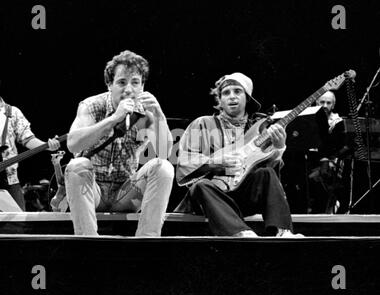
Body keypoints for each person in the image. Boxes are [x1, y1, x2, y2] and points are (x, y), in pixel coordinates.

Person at [175, 72, 303, 237]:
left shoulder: (259, 128)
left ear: (247, 97)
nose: (232, 96)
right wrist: (217, 162)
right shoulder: (202, 124)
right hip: (212, 199)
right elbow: (185, 162)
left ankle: (282, 231)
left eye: (237, 91)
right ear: (219, 100)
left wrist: (279, 148)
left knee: (266, 173)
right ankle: (240, 233)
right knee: (201, 186)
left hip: (243, 197)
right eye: (226, 93)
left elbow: (267, 168)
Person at [65, 50, 174, 236]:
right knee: (77, 165)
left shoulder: (147, 113)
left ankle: (147, 241)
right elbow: (73, 144)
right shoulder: (92, 105)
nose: (129, 89)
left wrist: (159, 115)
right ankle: (88, 244)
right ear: (110, 84)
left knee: (163, 167)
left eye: (135, 83)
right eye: (122, 82)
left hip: (125, 195)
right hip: (93, 192)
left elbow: (164, 152)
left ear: (142, 86)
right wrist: (114, 118)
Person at [0, 96, 60, 211]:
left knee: (17, 225)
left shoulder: (12, 112)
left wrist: (47, 146)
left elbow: (27, 139)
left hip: (9, 179)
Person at [308, 90, 351, 214]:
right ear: (316, 103)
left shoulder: (338, 122)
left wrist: (327, 159)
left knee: (319, 176)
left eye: (328, 103)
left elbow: (339, 147)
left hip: (330, 161)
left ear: (333, 105)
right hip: (311, 160)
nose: (325, 106)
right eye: (322, 102)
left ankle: (327, 208)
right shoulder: (309, 120)